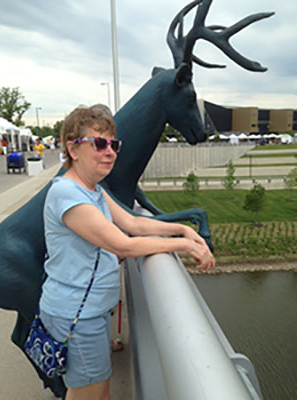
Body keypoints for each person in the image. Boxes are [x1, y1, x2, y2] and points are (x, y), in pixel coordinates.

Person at [39, 106, 215, 400]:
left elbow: (132, 222)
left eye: (113, 144)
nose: (110, 152)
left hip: (85, 314)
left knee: (94, 391)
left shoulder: (92, 189)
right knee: (91, 394)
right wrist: (183, 245)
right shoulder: (67, 194)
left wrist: (182, 229)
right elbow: (123, 244)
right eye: (99, 143)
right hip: (76, 317)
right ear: (73, 148)